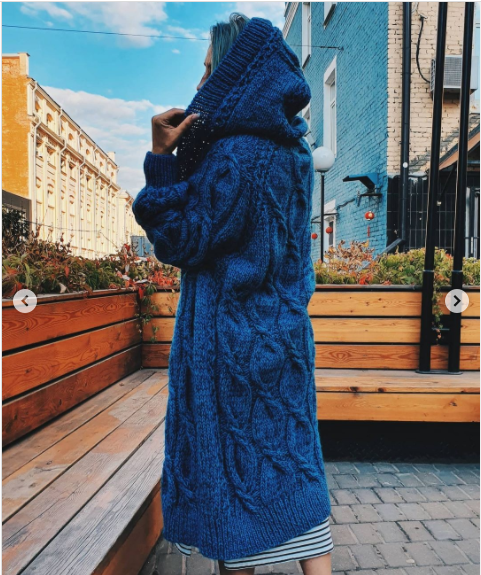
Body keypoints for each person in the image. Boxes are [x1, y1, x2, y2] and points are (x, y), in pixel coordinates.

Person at [132, 13, 333, 575]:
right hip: (284, 337)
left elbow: (180, 241)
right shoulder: (293, 151)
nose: (200, 83)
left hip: (230, 348)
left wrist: (161, 159)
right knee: (294, 469)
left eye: (207, 69)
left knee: (233, 486)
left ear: (231, 72)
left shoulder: (234, 156)